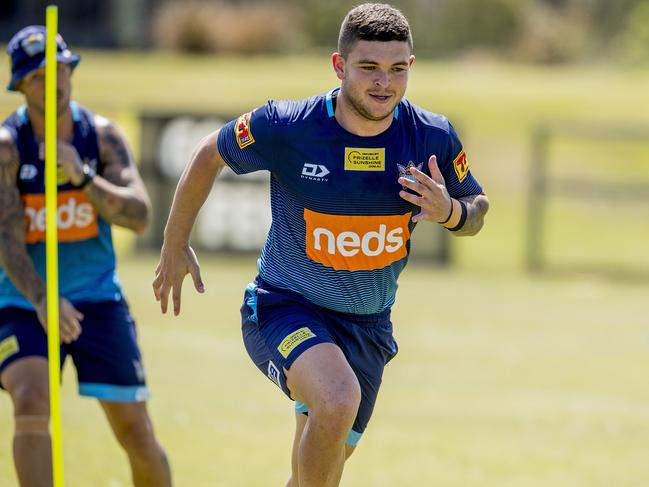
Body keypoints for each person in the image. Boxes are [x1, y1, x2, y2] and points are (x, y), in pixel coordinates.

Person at [153, 3, 489, 486]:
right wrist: (174, 242)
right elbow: (210, 153)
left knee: (318, 472)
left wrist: (452, 213)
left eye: (397, 70)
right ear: (339, 66)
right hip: (284, 307)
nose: (383, 83)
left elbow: (476, 207)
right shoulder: (289, 126)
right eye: (368, 68)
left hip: (369, 328)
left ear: (410, 68)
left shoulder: (432, 136)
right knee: (336, 401)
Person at [0, 26, 171, 487]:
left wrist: (84, 177)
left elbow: (139, 216)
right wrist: (42, 297)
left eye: (59, 70)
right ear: (19, 86)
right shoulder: (7, 148)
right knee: (32, 400)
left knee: (136, 430)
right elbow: (6, 238)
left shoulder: (99, 137)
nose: (51, 82)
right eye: (37, 76)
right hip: (24, 301)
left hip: (98, 298)